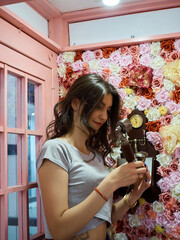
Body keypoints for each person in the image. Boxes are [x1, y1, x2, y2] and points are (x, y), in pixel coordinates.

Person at [36, 73, 151, 240]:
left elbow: (102, 218)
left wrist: (134, 194)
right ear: (75, 103)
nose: (103, 116)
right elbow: (59, 230)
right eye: (98, 106)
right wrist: (112, 182)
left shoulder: (95, 155)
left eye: (108, 110)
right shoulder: (56, 149)